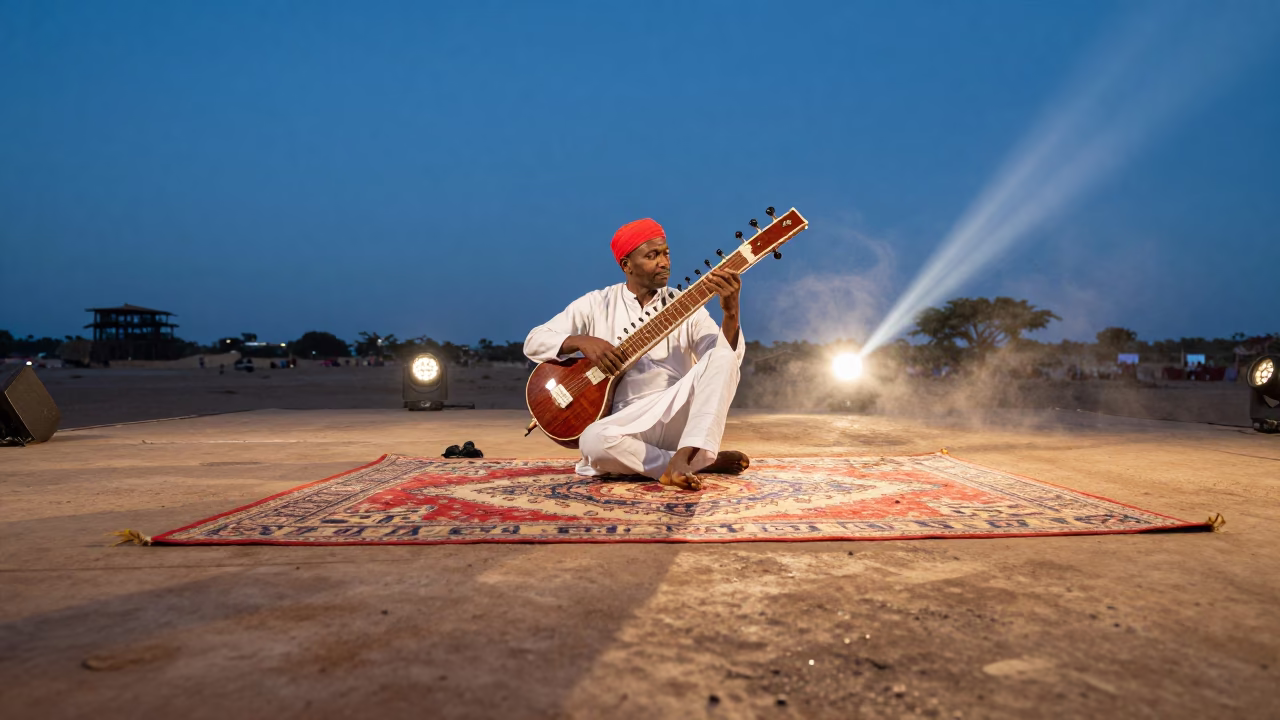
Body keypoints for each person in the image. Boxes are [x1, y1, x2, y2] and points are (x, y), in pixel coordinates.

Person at [524, 218, 749, 491]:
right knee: (592, 441)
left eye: (666, 253)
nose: (664, 262)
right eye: (652, 256)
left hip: (676, 414)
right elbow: (534, 342)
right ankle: (689, 463)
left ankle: (685, 454)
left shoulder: (685, 305)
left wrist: (731, 313)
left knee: (723, 357)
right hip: (626, 424)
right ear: (626, 265)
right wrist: (580, 341)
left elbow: (725, 361)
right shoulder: (597, 304)